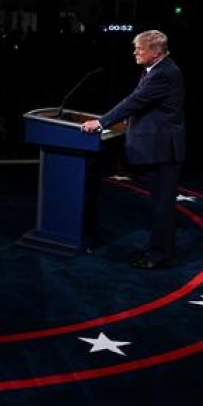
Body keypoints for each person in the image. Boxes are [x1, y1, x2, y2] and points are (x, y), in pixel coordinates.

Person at [81, 29, 185, 269]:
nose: (135, 52)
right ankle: (159, 252)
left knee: (162, 206)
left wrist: (101, 122)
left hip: (163, 150)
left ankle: (160, 257)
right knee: (160, 204)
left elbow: (134, 101)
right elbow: (145, 103)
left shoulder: (163, 73)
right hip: (160, 147)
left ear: (155, 51)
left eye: (140, 48)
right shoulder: (157, 69)